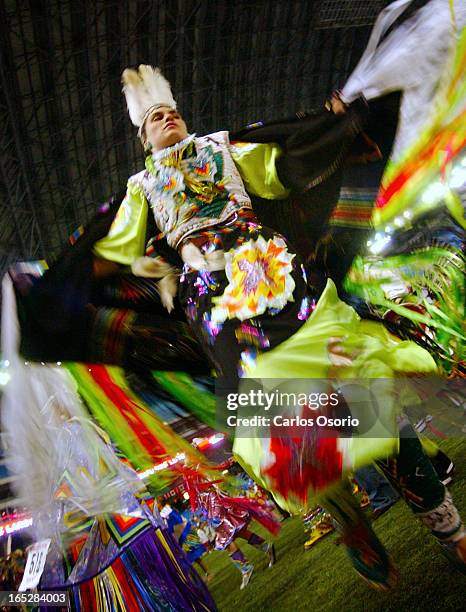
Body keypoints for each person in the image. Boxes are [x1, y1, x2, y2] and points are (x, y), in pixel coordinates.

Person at [87, 30, 465, 588]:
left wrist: (333, 125)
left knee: (362, 396)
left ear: (183, 118)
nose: (166, 118)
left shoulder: (224, 148)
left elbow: (285, 163)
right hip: (221, 313)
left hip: (280, 280)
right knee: (288, 429)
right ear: (142, 136)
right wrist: (159, 268)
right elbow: (110, 257)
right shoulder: (140, 190)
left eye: (170, 110)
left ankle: (450, 531)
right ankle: (346, 517)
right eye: (154, 117)